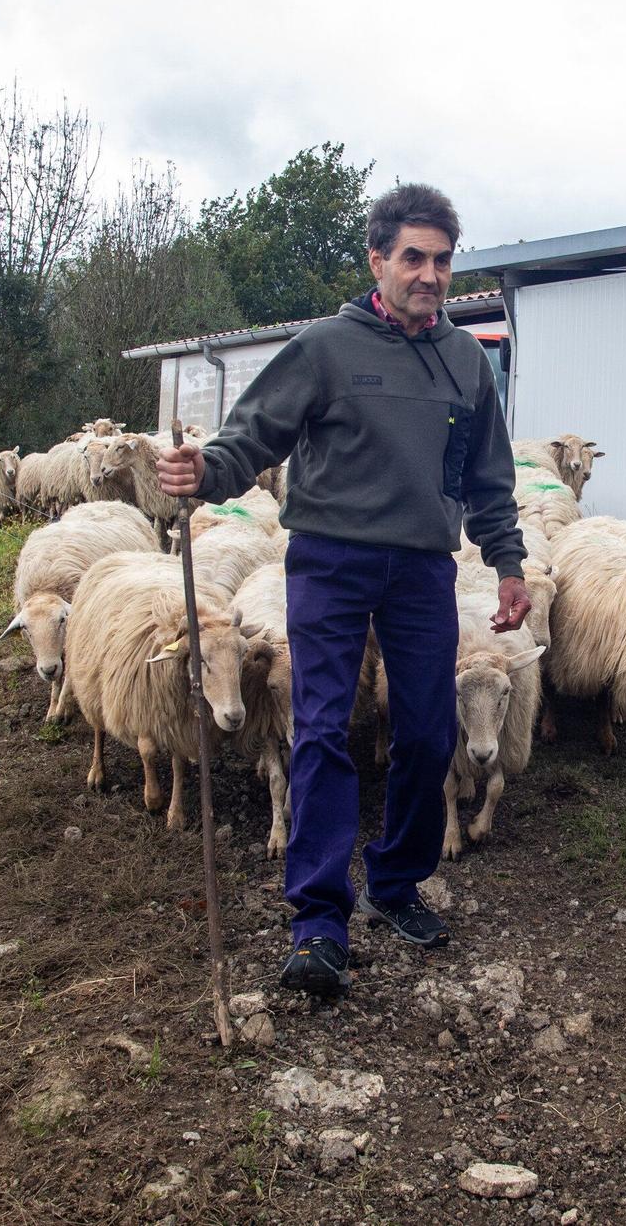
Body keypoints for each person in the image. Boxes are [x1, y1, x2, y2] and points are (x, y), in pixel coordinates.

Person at [157, 183, 530, 1000]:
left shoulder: (466, 362)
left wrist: (507, 564)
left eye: (441, 259)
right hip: (328, 558)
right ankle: (319, 920)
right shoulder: (325, 347)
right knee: (321, 727)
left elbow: (489, 482)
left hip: (424, 568)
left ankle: (397, 882)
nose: (429, 274)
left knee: (428, 732)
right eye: (413, 258)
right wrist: (201, 474)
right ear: (377, 260)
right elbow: (251, 437)